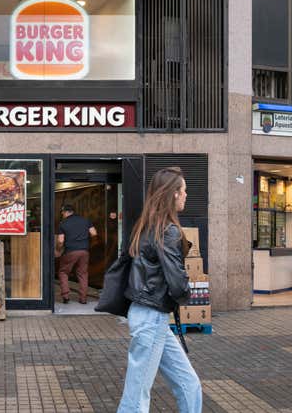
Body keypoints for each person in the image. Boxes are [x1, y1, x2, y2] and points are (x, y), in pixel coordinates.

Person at [117, 167, 201, 413]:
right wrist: (186, 293)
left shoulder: (147, 226)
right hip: (151, 318)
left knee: (189, 384)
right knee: (136, 398)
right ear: (174, 194)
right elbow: (177, 282)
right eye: (184, 191)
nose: (186, 195)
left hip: (151, 316)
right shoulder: (168, 230)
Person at [56, 204, 97, 304]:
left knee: (63, 272)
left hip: (71, 251)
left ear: (65, 212)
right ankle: (83, 298)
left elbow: (61, 241)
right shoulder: (85, 220)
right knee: (82, 274)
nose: (62, 215)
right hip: (84, 251)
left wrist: (58, 249)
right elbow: (94, 233)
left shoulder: (63, 223)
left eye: (62, 213)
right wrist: (86, 241)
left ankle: (65, 296)